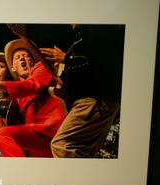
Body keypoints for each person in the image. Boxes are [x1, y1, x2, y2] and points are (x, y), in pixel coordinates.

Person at [40, 24, 123, 158]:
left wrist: (66, 59)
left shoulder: (97, 29)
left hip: (95, 100)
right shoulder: (84, 37)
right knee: (83, 152)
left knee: (62, 145)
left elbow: (104, 62)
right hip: (97, 101)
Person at [0, 39, 67, 157]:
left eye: (26, 56)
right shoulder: (14, 95)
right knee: (2, 138)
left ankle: (21, 172)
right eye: (17, 57)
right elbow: (6, 112)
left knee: (1, 135)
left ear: (32, 61)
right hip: (36, 140)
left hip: (55, 131)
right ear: (13, 67)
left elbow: (31, 85)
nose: (22, 58)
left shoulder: (42, 67)